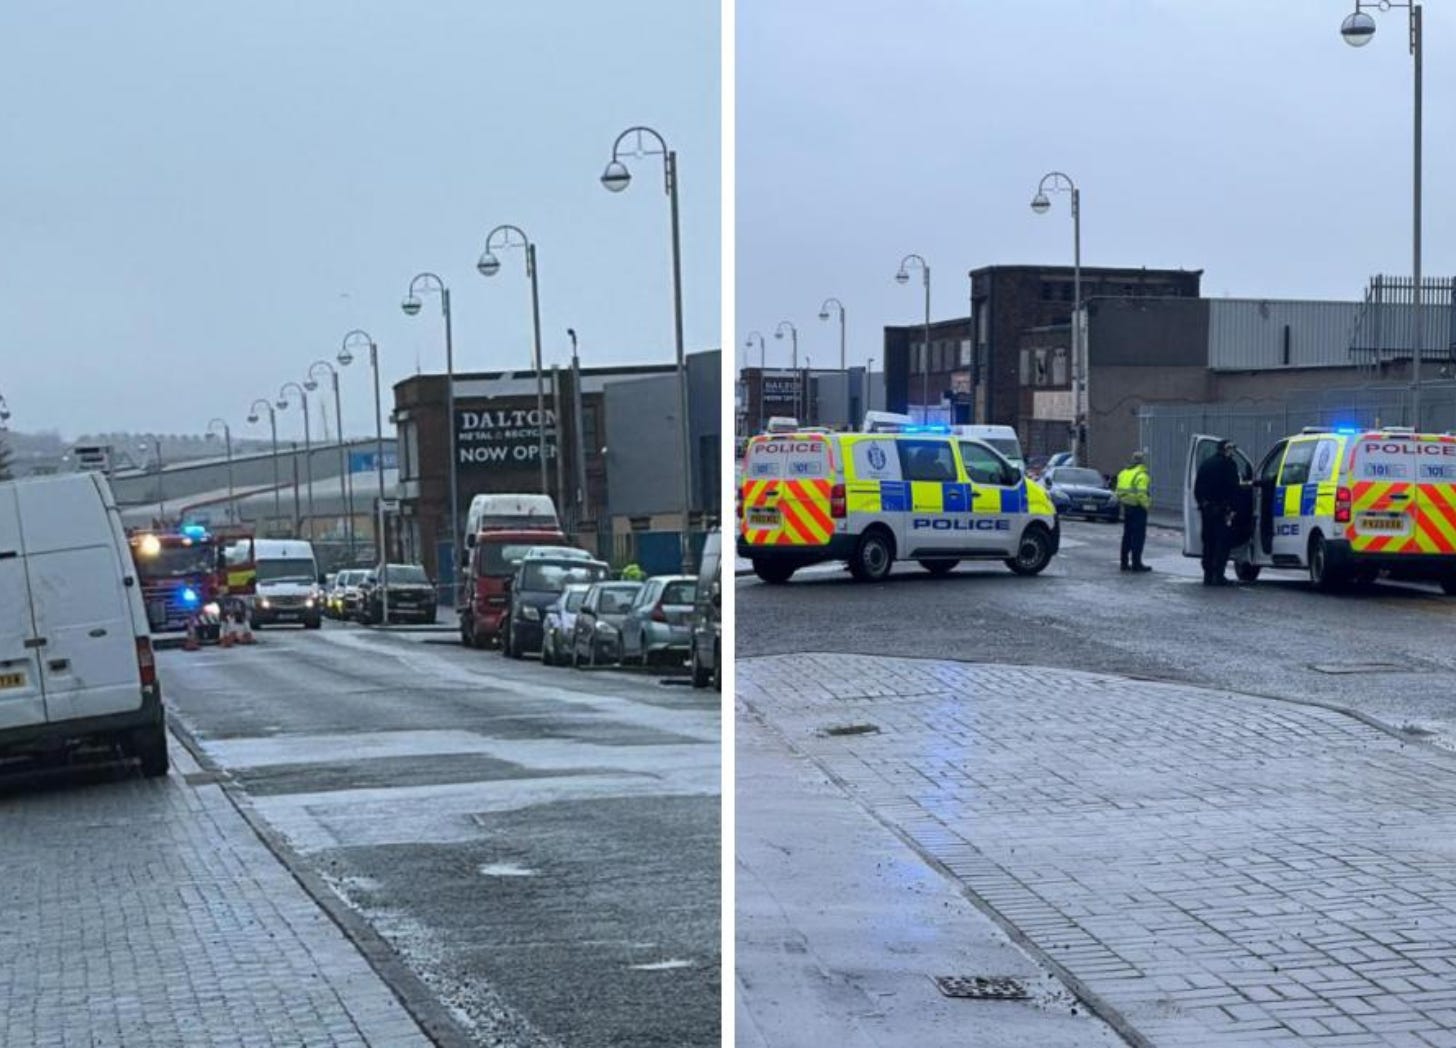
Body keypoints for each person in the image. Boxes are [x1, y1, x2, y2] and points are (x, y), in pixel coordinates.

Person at [1193, 440, 1242, 586]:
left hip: (1207, 510)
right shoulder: (1229, 465)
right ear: (1225, 450)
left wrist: (1203, 503)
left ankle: (1207, 575)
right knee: (1222, 543)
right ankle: (1219, 575)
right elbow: (1234, 488)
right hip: (1222, 510)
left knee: (1208, 542)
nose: (1232, 452)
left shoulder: (1206, 464)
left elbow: (1197, 488)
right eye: (1231, 449)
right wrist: (1233, 508)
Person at [1115, 450, 1152, 572]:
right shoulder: (1142, 475)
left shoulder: (1123, 473)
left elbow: (1118, 492)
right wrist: (1147, 505)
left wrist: (1125, 501)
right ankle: (1137, 564)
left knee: (1127, 536)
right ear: (1142, 461)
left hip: (1127, 508)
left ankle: (1124, 563)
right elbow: (1142, 494)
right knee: (1138, 537)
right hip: (1138, 509)